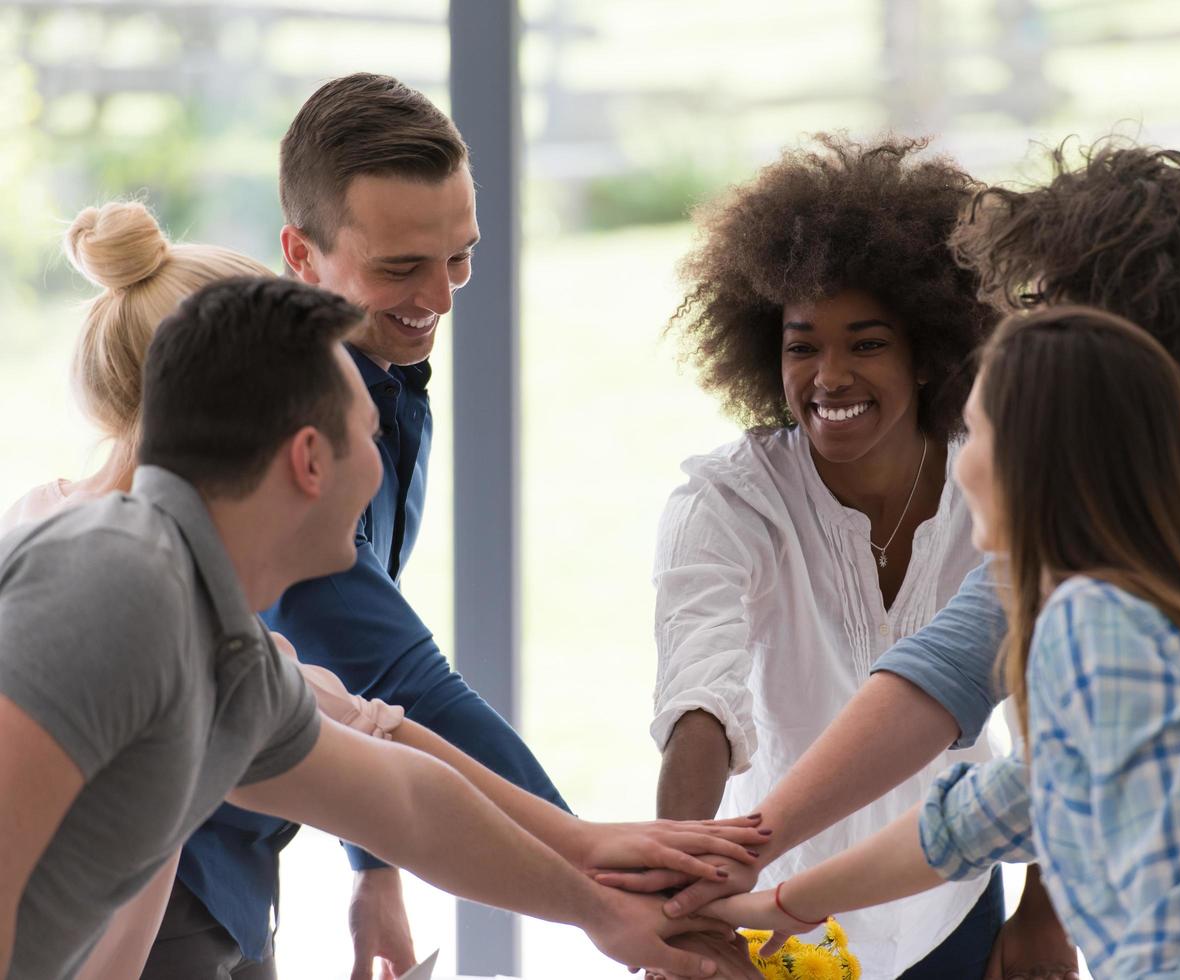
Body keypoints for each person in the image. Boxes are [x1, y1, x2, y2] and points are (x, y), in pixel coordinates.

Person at [661, 142, 1180, 972]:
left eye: (987, 419)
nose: (962, 444)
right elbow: (991, 734)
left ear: (1122, 371)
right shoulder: (1121, 501)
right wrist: (762, 868)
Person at [1, 201, 771, 980]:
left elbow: (404, 801)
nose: (382, 467)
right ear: (308, 460)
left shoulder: (221, 651)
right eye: (368, 433)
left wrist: (598, 900)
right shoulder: (111, 585)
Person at [158, 73, 567, 979]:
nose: (443, 298)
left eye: (459, 256)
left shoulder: (378, 375)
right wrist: (619, 873)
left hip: (236, 856)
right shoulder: (285, 432)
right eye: (400, 268)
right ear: (300, 256)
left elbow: (348, 653)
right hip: (175, 869)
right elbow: (404, 684)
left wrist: (373, 869)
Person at [642, 134, 1004, 978]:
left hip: (951, 899)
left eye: (866, 343)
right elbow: (699, 700)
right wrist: (681, 902)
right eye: (802, 345)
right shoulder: (727, 503)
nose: (828, 376)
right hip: (775, 913)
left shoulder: (997, 482)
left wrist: (1046, 921)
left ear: (929, 351)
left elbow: (1071, 724)